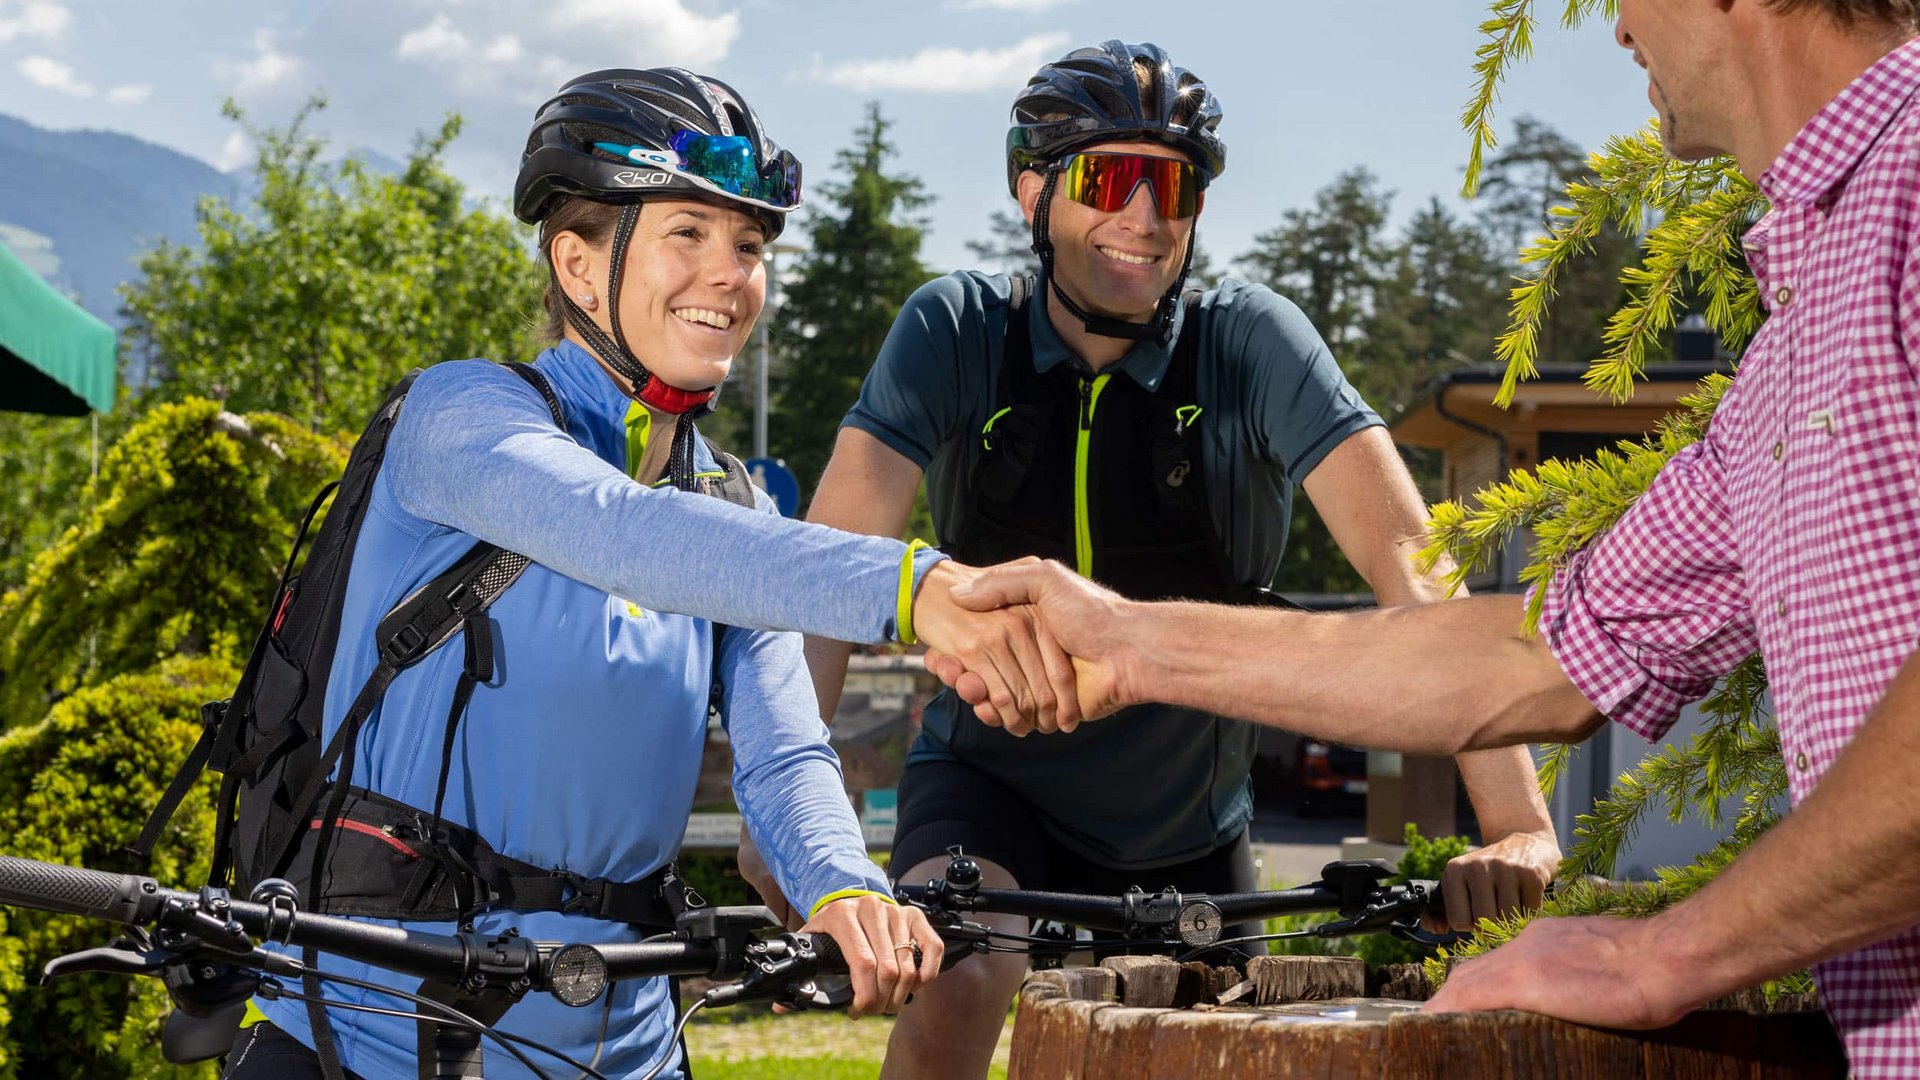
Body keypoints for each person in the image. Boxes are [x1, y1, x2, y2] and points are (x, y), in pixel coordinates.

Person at [931, 5, 1920, 1075]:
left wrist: (1664, 957)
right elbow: (1537, 657)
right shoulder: (1805, 323)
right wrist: (1128, 642)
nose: (1620, 26)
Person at [220, 65, 1097, 1080]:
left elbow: (783, 757)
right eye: (688, 233)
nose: (733, 273)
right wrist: (919, 590)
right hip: (365, 1039)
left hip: (622, 1050)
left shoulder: (736, 513)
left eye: (750, 245)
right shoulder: (459, 420)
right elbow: (619, 530)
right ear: (579, 266)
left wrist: (841, 887)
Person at [736, 41, 1561, 1080]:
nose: (1143, 215)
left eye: (1171, 184)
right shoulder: (953, 330)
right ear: (1033, 190)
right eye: (1107, 178)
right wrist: (788, 808)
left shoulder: (1250, 343)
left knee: (1223, 1050)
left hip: (1187, 819)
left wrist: (1521, 827)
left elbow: (1416, 570)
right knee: (966, 975)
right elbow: (829, 574)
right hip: (988, 787)